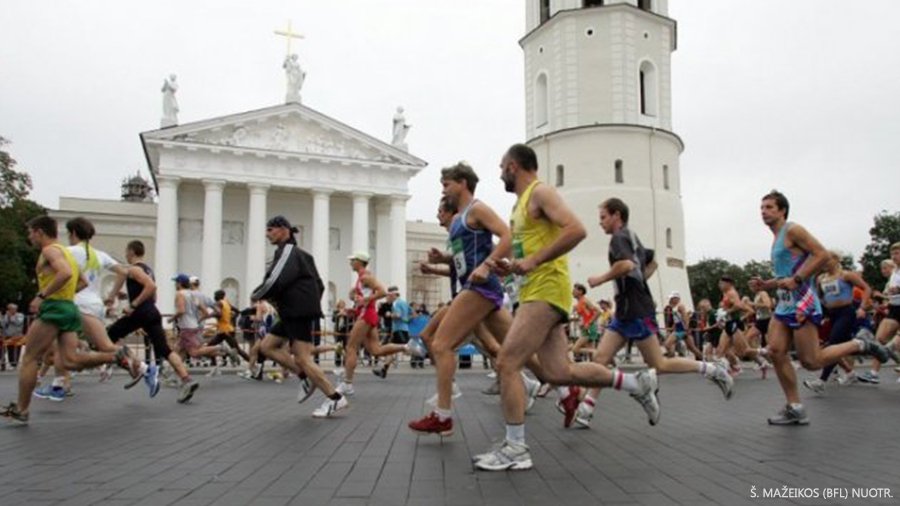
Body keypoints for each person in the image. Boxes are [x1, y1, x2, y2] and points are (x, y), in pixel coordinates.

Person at [472, 145, 659, 471]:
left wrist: (532, 260)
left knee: (507, 363)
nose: (500, 172)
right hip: (537, 288)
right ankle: (635, 383)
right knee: (558, 372)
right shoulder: (520, 204)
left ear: (514, 166)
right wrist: (514, 265)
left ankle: (515, 447)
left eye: (502, 166)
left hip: (545, 291)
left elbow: (577, 229)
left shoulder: (540, 192)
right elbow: (533, 250)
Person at [572, 198, 733, 431]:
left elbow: (626, 265)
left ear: (617, 215)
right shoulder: (632, 236)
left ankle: (711, 370)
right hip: (625, 311)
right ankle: (587, 407)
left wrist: (601, 278)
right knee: (600, 360)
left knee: (659, 364)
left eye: (603, 217)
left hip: (637, 311)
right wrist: (639, 281)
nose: (600, 223)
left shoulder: (619, 238)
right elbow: (652, 262)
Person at [748, 190, 891, 425]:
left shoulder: (793, 230)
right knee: (775, 351)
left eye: (769, 207)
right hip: (784, 304)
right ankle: (795, 407)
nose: (763, 212)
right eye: (761, 208)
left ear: (782, 210)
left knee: (811, 362)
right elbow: (787, 274)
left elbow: (822, 255)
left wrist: (798, 279)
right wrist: (766, 284)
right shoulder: (775, 240)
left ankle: (861, 344)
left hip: (803, 300)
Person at [2, 217, 143, 425]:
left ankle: (22, 409)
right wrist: (63, 293)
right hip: (68, 308)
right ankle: (114, 357)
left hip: (54, 309)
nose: (29, 237)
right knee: (70, 360)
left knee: (29, 359)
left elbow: (66, 273)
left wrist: (43, 296)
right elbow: (82, 282)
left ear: (40, 232)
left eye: (30, 232)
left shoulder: (51, 251)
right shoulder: (67, 253)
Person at [251, 215, 346, 418]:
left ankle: (334, 398)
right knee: (266, 347)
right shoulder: (300, 255)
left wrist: (257, 295)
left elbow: (274, 280)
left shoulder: (288, 252)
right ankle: (305, 376)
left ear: (284, 230)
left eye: (271, 229)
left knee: (303, 357)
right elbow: (318, 284)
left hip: (296, 311)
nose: (267, 234)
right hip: (291, 311)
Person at [105, 240, 199, 403]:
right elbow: (152, 295)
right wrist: (129, 297)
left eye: (127, 252)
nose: (126, 255)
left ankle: (140, 368)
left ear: (132, 252)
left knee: (108, 336)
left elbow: (151, 288)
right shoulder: (149, 270)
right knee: (165, 350)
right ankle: (187, 380)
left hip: (140, 313)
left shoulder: (134, 269)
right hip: (151, 312)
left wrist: (133, 304)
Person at [336, 251, 420, 397]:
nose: (350, 263)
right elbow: (363, 296)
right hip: (367, 314)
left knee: (351, 347)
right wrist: (355, 307)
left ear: (359, 262)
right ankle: (405, 346)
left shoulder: (365, 277)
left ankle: (347, 383)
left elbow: (382, 291)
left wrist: (365, 301)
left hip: (367, 315)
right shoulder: (361, 278)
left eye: (353, 260)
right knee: (376, 350)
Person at [803, 251, 873, 393]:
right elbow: (819, 296)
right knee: (840, 347)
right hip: (832, 314)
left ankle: (821, 381)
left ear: (836, 260)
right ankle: (852, 370)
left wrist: (862, 307)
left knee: (833, 344)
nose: (823, 264)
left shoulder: (846, 275)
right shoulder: (821, 278)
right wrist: (822, 312)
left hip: (846, 312)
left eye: (826, 261)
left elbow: (866, 288)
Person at [375, 286, 413, 377]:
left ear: (393, 295)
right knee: (391, 350)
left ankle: (427, 354)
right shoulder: (404, 303)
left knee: (405, 348)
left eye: (389, 295)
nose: (388, 297)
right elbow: (411, 314)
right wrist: (406, 321)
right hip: (403, 329)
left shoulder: (396, 303)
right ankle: (384, 370)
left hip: (399, 329)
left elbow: (398, 315)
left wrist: (390, 314)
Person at [1, 303, 25, 370]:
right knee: (10, 349)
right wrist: (7, 317)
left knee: (17, 349)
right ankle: (11, 363)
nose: (11, 310)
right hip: (8, 335)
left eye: (12, 309)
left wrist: (11, 317)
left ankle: (15, 363)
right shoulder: (6, 315)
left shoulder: (20, 315)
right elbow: (3, 324)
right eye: (9, 309)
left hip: (17, 336)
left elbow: (18, 322)